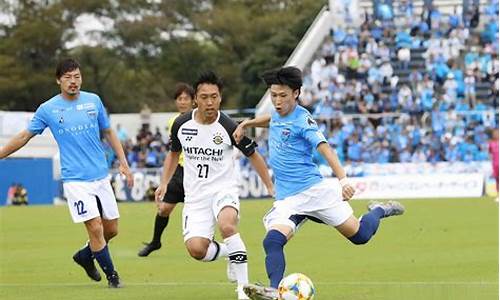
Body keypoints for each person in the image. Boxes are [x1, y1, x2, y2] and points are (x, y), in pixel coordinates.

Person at [232, 66, 405, 300]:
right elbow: (271, 120)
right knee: (272, 241)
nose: (277, 101)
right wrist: (247, 124)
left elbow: (325, 149)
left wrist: (343, 180)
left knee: (360, 236)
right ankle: (273, 290)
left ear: (296, 93)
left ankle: (379, 210)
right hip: (288, 199)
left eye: (283, 95)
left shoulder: (303, 121)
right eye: (273, 95)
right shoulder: (277, 114)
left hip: (315, 192)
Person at [0, 58, 133, 288]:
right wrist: (1, 153)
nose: (73, 81)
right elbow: (24, 136)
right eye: (68, 77)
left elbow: (109, 132)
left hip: (101, 176)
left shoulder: (94, 101)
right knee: (95, 227)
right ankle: (113, 278)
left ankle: (84, 255)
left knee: (111, 229)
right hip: (75, 180)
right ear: (58, 80)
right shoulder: (48, 109)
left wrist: (123, 163)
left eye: (77, 76)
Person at [154, 71, 274, 300]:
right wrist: (163, 183)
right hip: (195, 197)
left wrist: (269, 185)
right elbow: (173, 154)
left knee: (227, 226)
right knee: (197, 250)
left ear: (220, 98)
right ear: (195, 99)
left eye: (214, 97)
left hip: (223, 190)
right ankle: (231, 251)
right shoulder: (181, 124)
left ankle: (243, 289)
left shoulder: (228, 126)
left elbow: (253, 155)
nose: (210, 102)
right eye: (204, 97)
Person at [138, 83, 195, 257]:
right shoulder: (174, 122)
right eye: (179, 99)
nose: (183, 102)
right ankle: (156, 242)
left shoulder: (200, 120)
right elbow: (173, 152)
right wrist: (164, 180)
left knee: (197, 210)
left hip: (196, 172)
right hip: (179, 171)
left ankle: (205, 242)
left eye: (186, 98)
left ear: (194, 101)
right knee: (163, 209)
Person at [488, 128, 499, 200]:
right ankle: (498, 195)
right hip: (495, 164)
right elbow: (489, 153)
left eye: (497, 133)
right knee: (497, 179)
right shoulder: (491, 143)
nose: (496, 134)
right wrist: (491, 162)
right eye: (494, 133)